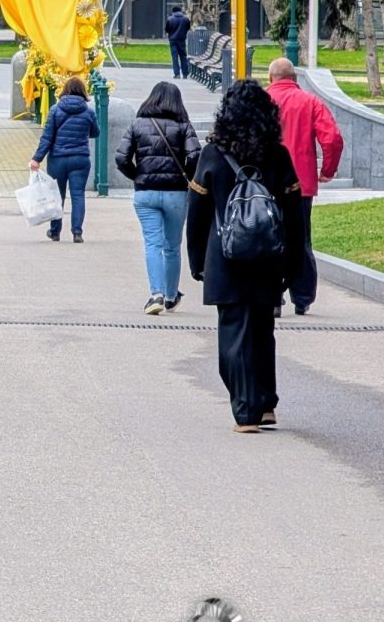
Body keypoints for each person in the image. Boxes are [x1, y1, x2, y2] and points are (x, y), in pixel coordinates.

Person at [185, 82, 306, 432]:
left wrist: (197, 262)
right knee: (262, 330)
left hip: (226, 259)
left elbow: (198, 215)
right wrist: (294, 263)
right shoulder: (278, 155)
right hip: (269, 258)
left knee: (234, 333)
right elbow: (294, 215)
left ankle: (245, 410)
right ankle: (266, 403)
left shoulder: (212, 156)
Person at [115, 81, 202, 315]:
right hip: (176, 193)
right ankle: (171, 296)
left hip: (146, 193)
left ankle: (156, 295)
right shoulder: (183, 126)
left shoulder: (138, 124)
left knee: (152, 243)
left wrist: (139, 176)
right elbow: (195, 157)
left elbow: (121, 158)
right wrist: (186, 178)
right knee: (172, 246)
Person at [267, 57, 343, 315]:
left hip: (266, 183)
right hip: (301, 183)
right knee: (301, 238)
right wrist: (327, 171)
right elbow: (332, 138)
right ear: (295, 79)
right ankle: (302, 296)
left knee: (270, 238)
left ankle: (273, 295)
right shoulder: (310, 102)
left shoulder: (262, 101)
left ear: (271, 78)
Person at [30, 77, 99, 243]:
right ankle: (77, 232)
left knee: (57, 195)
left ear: (65, 90)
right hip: (80, 159)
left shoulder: (55, 110)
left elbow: (47, 137)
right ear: (83, 91)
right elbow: (95, 133)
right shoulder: (89, 111)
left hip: (58, 159)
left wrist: (37, 158)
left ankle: (55, 231)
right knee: (78, 195)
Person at [165, 5, 192, 78]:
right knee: (183, 56)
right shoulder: (186, 19)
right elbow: (188, 28)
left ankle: (177, 74)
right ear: (180, 11)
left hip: (173, 40)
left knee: (175, 57)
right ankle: (185, 74)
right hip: (182, 40)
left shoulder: (170, 19)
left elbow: (167, 30)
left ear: (173, 11)